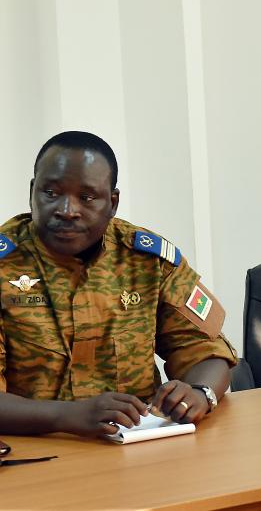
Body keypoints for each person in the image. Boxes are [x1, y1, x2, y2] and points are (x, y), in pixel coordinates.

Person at [0, 131, 237, 437]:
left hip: (138, 445)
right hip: (34, 452)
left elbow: (206, 349)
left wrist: (199, 392)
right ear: (32, 192)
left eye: (86, 197)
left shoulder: (148, 260)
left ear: (112, 203)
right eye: (50, 193)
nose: (66, 210)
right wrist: (66, 416)